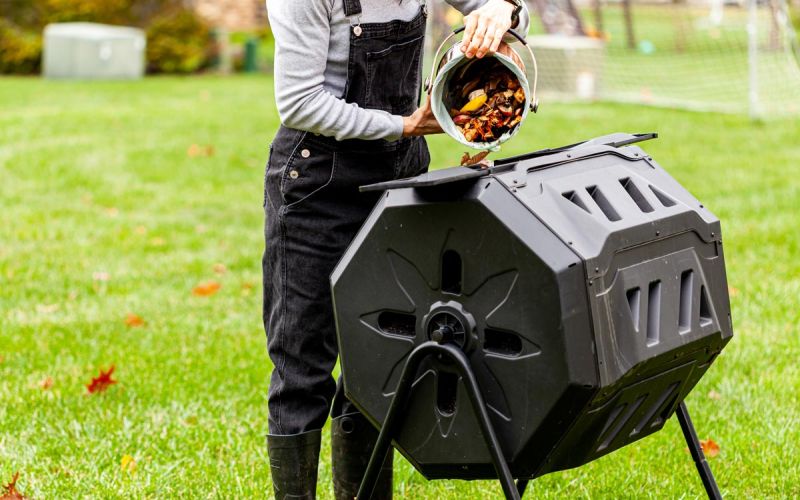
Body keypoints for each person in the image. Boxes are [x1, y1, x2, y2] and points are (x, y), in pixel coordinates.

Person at [263, 1, 530, 498]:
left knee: (379, 364)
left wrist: (502, 12)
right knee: (302, 370)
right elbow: (298, 102)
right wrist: (406, 125)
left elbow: (513, 13)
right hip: (318, 189)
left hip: (399, 183)